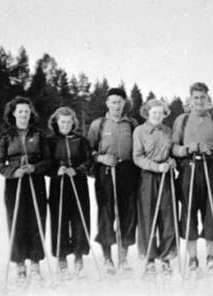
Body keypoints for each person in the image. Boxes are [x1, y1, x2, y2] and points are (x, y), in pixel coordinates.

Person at [172, 82, 213, 274]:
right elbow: (173, 146)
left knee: (211, 211)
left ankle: (211, 257)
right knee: (188, 212)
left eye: (202, 98)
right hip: (189, 168)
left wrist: (212, 151)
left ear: (208, 99)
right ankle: (193, 258)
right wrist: (185, 149)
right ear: (190, 99)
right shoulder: (182, 119)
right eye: (195, 98)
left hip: (211, 169)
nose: (199, 101)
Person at [0, 96, 51, 279]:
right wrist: (12, 172)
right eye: (20, 111)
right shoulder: (5, 135)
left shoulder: (39, 134)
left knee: (36, 220)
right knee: (16, 220)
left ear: (30, 113)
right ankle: (19, 263)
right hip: (15, 182)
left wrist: (35, 167)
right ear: (13, 113)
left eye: (27, 111)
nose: (24, 115)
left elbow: (48, 160)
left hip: (35, 181)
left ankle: (35, 262)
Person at [87, 87, 139, 274]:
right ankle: (108, 258)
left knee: (127, 214)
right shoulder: (98, 124)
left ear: (124, 104)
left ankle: (123, 257)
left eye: (120, 102)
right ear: (107, 103)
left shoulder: (132, 124)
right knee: (106, 213)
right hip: (106, 171)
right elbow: (89, 150)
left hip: (127, 171)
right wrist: (100, 158)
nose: (117, 105)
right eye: (113, 102)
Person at [133, 99, 177, 275]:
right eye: (154, 113)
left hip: (166, 177)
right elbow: (137, 157)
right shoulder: (139, 131)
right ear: (147, 113)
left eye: (161, 112)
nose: (157, 116)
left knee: (167, 217)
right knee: (147, 215)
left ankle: (166, 257)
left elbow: (172, 152)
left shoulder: (168, 131)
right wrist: (155, 166)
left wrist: (173, 161)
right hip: (148, 176)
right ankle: (149, 257)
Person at [47, 107, 92, 276]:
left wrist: (78, 170)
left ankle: (79, 257)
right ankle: (61, 258)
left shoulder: (80, 140)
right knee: (59, 220)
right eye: (62, 122)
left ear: (73, 122)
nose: (65, 125)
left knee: (79, 219)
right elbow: (45, 163)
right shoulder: (50, 141)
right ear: (56, 123)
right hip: (58, 184)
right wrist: (55, 170)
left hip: (78, 183)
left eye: (68, 122)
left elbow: (89, 161)